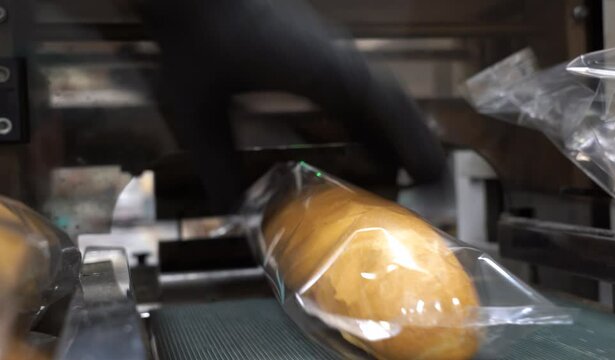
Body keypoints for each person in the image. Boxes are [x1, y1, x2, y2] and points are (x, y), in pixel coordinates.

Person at [143, 0, 445, 213]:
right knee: (353, 80)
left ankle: (242, 226)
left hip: (184, 35)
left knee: (224, 185)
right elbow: (359, 85)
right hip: (218, 23)